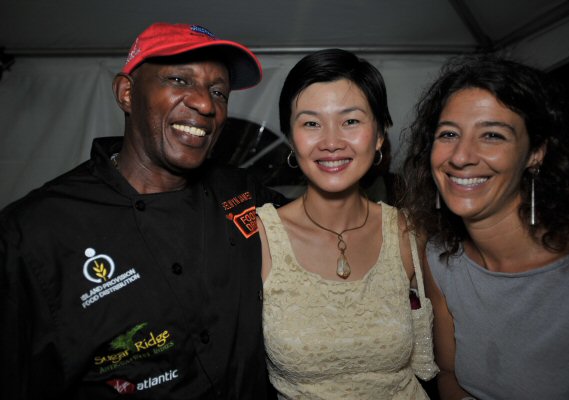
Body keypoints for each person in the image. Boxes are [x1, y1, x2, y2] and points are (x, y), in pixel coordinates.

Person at [0, 22, 285, 399]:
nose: (205, 104)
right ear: (127, 93)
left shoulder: (243, 193)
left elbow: (330, 228)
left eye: (218, 91)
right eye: (180, 80)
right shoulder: (33, 232)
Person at [400, 55, 569, 400]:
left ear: (536, 153)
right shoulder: (441, 259)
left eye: (492, 135)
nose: (461, 156)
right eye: (449, 134)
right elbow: (450, 374)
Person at [256, 48, 437, 399]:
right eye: (311, 123)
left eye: (351, 121)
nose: (331, 143)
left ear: (379, 135)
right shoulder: (260, 237)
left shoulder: (407, 232)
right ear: (291, 138)